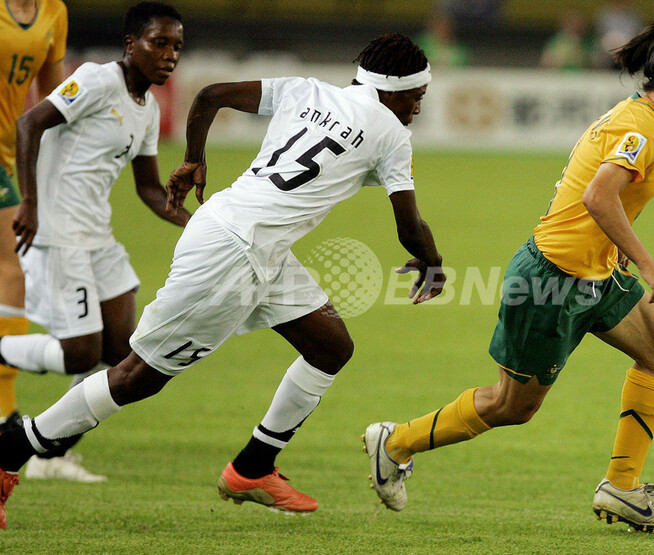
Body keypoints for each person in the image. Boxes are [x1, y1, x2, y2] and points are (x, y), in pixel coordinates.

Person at [0, 32, 445, 526]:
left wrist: (193, 158)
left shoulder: (307, 89)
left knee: (330, 346)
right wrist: (433, 261)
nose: (418, 109)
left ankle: (253, 468)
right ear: (394, 90)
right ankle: (10, 450)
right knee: (135, 378)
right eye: (417, 97)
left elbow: (210, 96)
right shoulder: (391, 133)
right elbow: (409, 224)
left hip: (248, 238)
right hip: (233, 255)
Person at [363, 22, 654, 535]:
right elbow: (599, 197)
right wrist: (647, 263)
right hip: (551, 281)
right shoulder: (641, 130)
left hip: (595, 273)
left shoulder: (642, 123)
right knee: (511, 405)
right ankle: (394, 442)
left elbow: (593, 199)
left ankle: (621, 487)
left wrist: (615, 256)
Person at [0, 1, 187, 487]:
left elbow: (148, 189)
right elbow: (29, 123)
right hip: (58, 234)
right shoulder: (98, 80)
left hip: (97, 237)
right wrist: (31, 204)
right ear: (131, 44)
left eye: (176, 47)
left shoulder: (144, 108)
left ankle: (49, 451)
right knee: (81, 355)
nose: (169, 55)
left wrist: (200, 223)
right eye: (159, 43)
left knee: (127, 353)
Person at [0, 0, 67, 440]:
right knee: (12, 267)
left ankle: (4, 414)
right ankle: (5, 417)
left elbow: (53, 99)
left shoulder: (53, 11)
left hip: (9, 155)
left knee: (13, 270)